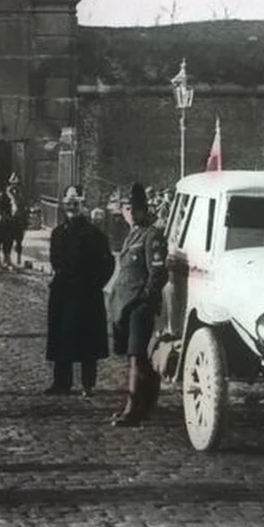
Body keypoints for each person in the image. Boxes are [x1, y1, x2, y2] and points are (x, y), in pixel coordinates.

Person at [107, 182, 168, 427]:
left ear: (144, 210)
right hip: (126, 306)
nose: (131, 213)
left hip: (140, 307)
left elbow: (157, 273)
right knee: (135, 357)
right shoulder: (132, 235)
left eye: (135, 208)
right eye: (127, 208)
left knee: (138, 358)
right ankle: (144, 407)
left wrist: (145, 299)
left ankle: (134, 409)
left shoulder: (152, 235)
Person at [45, 186, 115, 397]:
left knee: (87, 340)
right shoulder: (58, 233)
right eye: (69, 204)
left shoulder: (94, 234)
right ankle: (61, 383)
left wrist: (96, 284)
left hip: (86, 294)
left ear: (83, 205)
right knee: (61, 336)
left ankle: (88, 384)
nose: (72, 208)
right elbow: (54, 260)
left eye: (76, 203)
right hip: (63, 293)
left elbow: (108, 263)